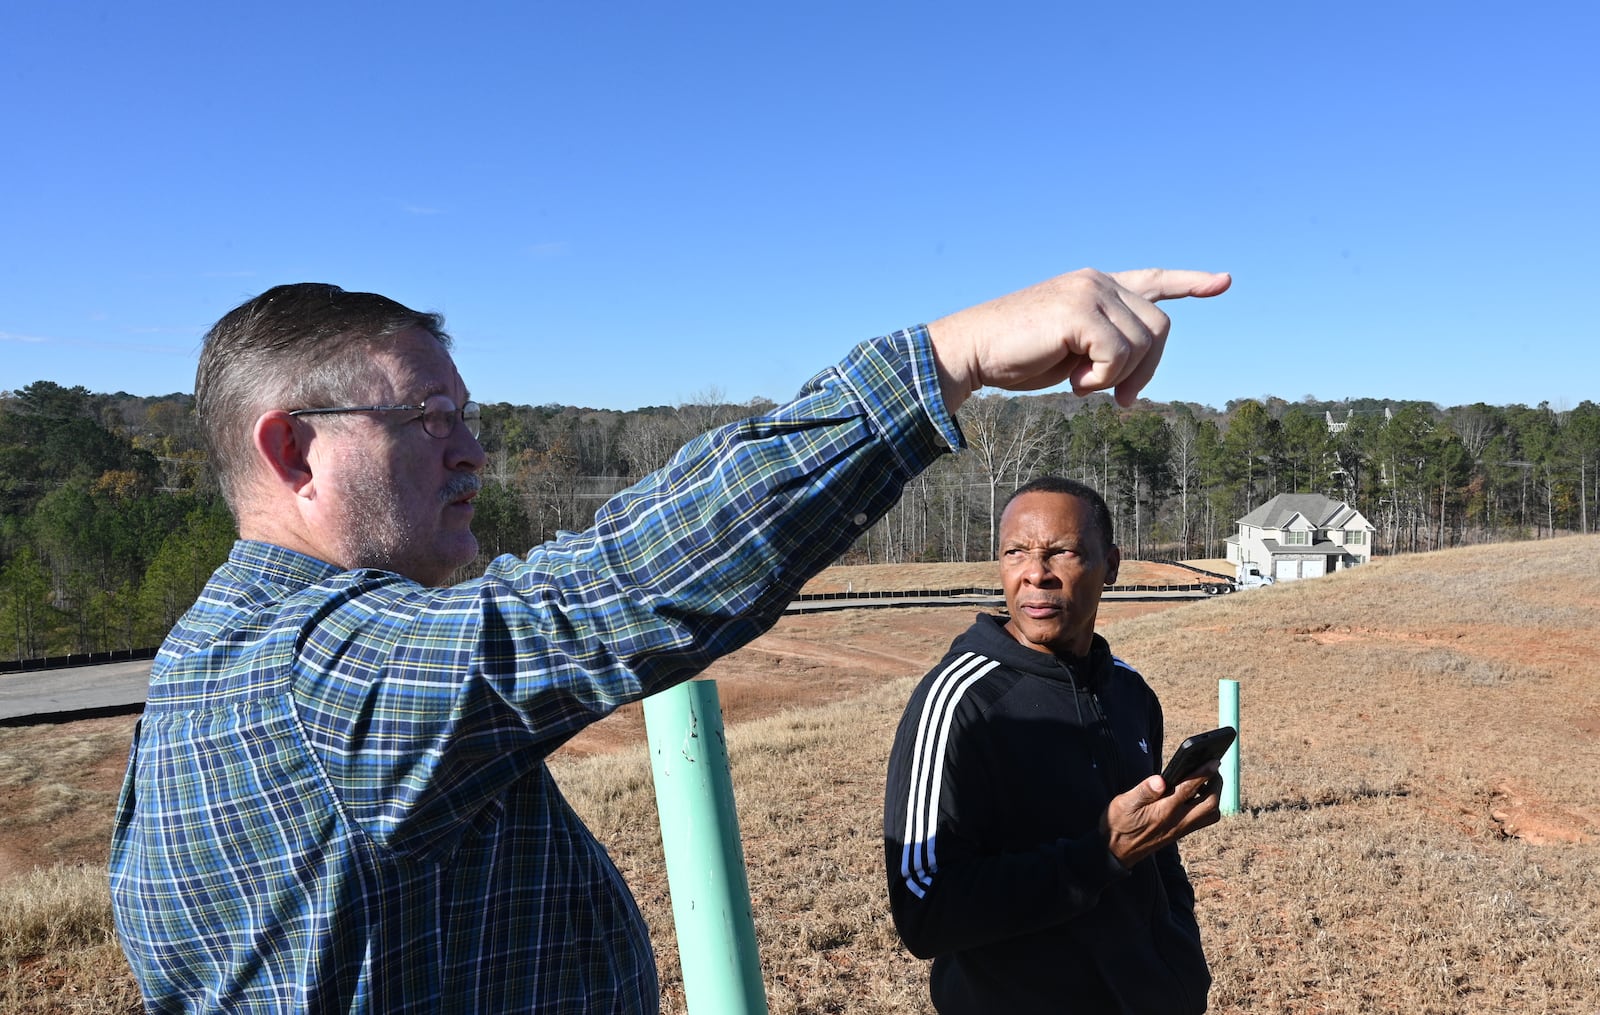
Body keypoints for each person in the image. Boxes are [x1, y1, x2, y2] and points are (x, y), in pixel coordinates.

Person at [109, 269, 1229, 1012]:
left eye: (468, 418)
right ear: (291, 450)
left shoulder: (220, 658)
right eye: (427, 420)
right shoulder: (320, 675)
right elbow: (610, 591)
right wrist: (949, 360)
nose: (472, 453)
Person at [883, 476, 1222, 1014]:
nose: (1035, 574)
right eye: (1015, 552)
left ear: (1110, 565)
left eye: (1062, 552)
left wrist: (1179, 955)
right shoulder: (958, 703)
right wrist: (1101, 854)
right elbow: (924, 913)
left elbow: (1157, 858)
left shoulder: (1129, 689)